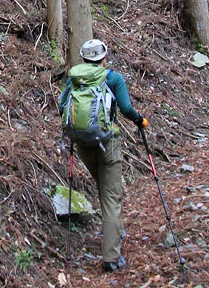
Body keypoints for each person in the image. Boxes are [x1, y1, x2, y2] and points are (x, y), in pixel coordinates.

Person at [58, 38, 147, 273]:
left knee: (104, 190)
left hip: (83, 145)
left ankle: (114, 229)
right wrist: (140, 120)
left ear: (84, 58)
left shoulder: (75, 77)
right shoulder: (113, 78)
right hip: (108, 143)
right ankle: (111, 257)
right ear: (103, 58)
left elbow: (62, 104)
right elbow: (126, 109)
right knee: (111, 198)